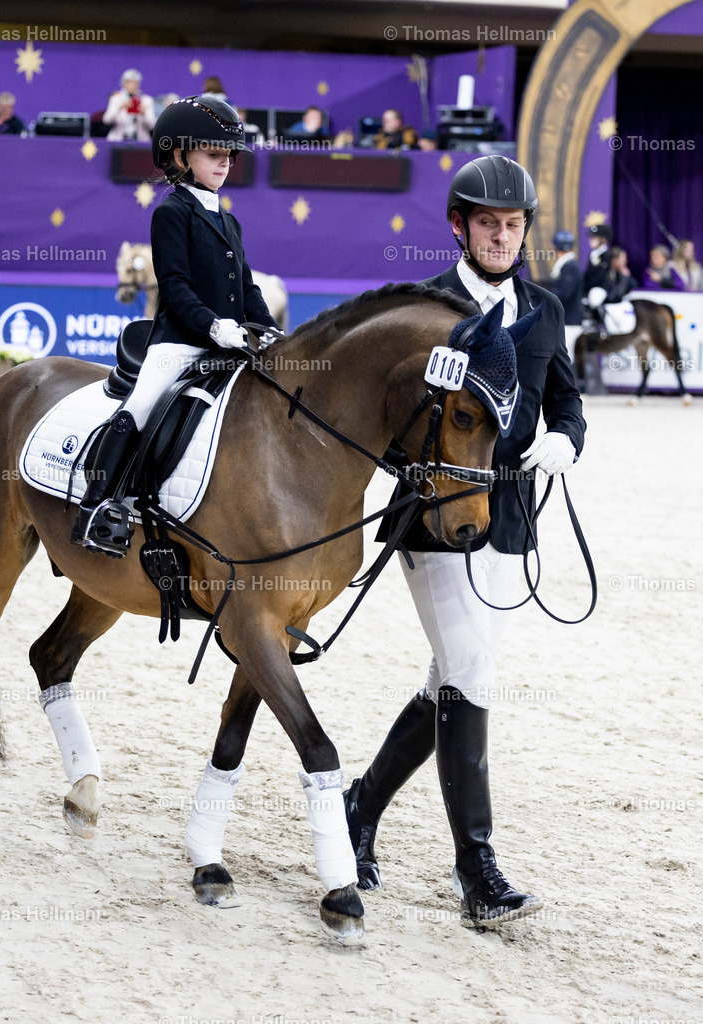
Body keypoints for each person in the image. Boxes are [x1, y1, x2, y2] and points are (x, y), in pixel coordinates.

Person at [345, 154, 586, 928]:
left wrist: (566, 444)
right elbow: (381, 420)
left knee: (452, 676)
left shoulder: (543, 309)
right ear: (460, 225)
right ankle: (476, 870)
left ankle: (360, 805)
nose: (501, 236)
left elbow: (567, 402)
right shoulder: (425, 308)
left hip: (511, 518)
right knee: (471, 671)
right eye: (487, 223)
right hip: (435, 517)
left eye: (512, 225)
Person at [71, 95, 279, 556]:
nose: (224, 163)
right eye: (213, 154)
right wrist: (214, 327)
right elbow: (176, 287)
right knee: (140, 406)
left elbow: (246, 287)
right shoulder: (170, 213)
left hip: (227, 347)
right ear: (181, 156)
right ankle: (99, 508)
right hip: (179, 343)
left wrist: (266, 330)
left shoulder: (229, 220)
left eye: (229, 156)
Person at [546, 230, 584, 353]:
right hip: (565, 320)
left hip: (570, 321)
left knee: (566, 357)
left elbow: (564, 294)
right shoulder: (566, 265)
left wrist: (545, 297)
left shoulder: (570, 266)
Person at [103, 69, 157, 141]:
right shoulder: (116, 99)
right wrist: (120, 108)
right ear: (123, 84)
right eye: (129, 82)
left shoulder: (146, 100)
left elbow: (153, 126)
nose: (132, 85)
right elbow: (106, 120)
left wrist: (145, 112)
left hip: (140, 140)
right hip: (118, 139)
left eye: (135, 83)